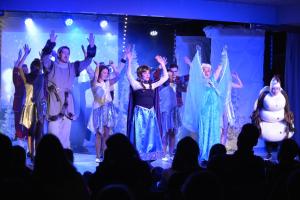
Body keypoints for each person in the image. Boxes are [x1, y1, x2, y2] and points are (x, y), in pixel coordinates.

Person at [41, 30, 96, 148]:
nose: (66, 55)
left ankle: (64, 160)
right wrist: (51, 44)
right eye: (64, 53)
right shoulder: (51, 66)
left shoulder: (73, 67)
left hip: (67, 105)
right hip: (55, 105)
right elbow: (44, 57)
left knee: (65, 137)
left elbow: (87, 61)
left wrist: (91, 47)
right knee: (53, 136)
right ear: (59, 54)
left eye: (68, 53)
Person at [182, 46, 231, 161]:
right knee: (204, 132)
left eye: (209, 70)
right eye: (205, 71)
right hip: (204, 112)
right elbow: (195, 69)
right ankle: (204, 154)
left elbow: (220, 67)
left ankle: (214, 154)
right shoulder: (199, 81)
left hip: (214, 112)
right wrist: (195, 57)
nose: (207, 72)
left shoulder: (213, 79)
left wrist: (224, 54)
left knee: (214, 132)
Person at [126, 51, 169, 160]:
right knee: (140, 137)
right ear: (140, 74)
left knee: (150, 137)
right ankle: (139, 157)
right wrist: (129, 61)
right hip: (140, 114)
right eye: (145, 73)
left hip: (150, 114)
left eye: (148, 73)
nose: (148, 74)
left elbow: (165, 77)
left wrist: (163, 65)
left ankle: (149, 157)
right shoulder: (136, 85)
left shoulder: (152, 85)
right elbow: (129, 75)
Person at [87, 59, 124, 163]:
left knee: (107, 134)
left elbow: (119, 77)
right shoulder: (94, 82)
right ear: (99, 73)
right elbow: (95, 78)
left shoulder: (108, 82)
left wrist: (113, 65)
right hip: (98, 109)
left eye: (107, 73)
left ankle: (105, 154)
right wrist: (98, 66)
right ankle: (98, 156)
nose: (106, 74)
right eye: (104, 72)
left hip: (108, 109)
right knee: (99, 134)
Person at [251, 75, 294, 160]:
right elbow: (257, 108)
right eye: (273, 88)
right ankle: (269, 153)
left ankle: (281, 154)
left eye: (277, 88)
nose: (275, 91)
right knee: (269, 140)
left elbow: (287, 108)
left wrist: (289, 121)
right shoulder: (264, 95)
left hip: (280, 123)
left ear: (280, 88)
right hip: (267, 124)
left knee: (281, 139)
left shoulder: (283, 96)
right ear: (270, 87)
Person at [153, 63, 189, 160]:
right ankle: (163, 153)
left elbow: (189, 77)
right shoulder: (164, 81)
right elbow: (155, 76)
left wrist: (193, 65)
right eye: (171, 71)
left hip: (174, 111)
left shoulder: (178, 81)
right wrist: (160, 67)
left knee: (173, 132)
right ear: (168, 72)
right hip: (164, 111)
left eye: (175, 71)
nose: (173, 73)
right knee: (164, 132)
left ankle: (171, 153)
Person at [18, 44, 47, 159]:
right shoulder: (34, 77)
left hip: (37, 107)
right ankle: (32, 153)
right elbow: (19, 68)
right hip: (33, 107)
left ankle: (34, 154)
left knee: (36, 132)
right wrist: (26, 55)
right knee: (34, 132)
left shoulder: (39, 77)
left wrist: (41, 59)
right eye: (37, 67)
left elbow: (19, 67)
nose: (37, 69)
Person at [12, 49, 28, 141]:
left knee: (26, 126)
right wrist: (22, 56)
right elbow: (16, 68)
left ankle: (25, 139)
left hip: (28, 107)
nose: (25, 72)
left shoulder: (30, 80)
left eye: (27, 70)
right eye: (24, 70)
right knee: (18, 125)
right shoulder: (17, 81)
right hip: (19, 106)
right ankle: (18, 137)